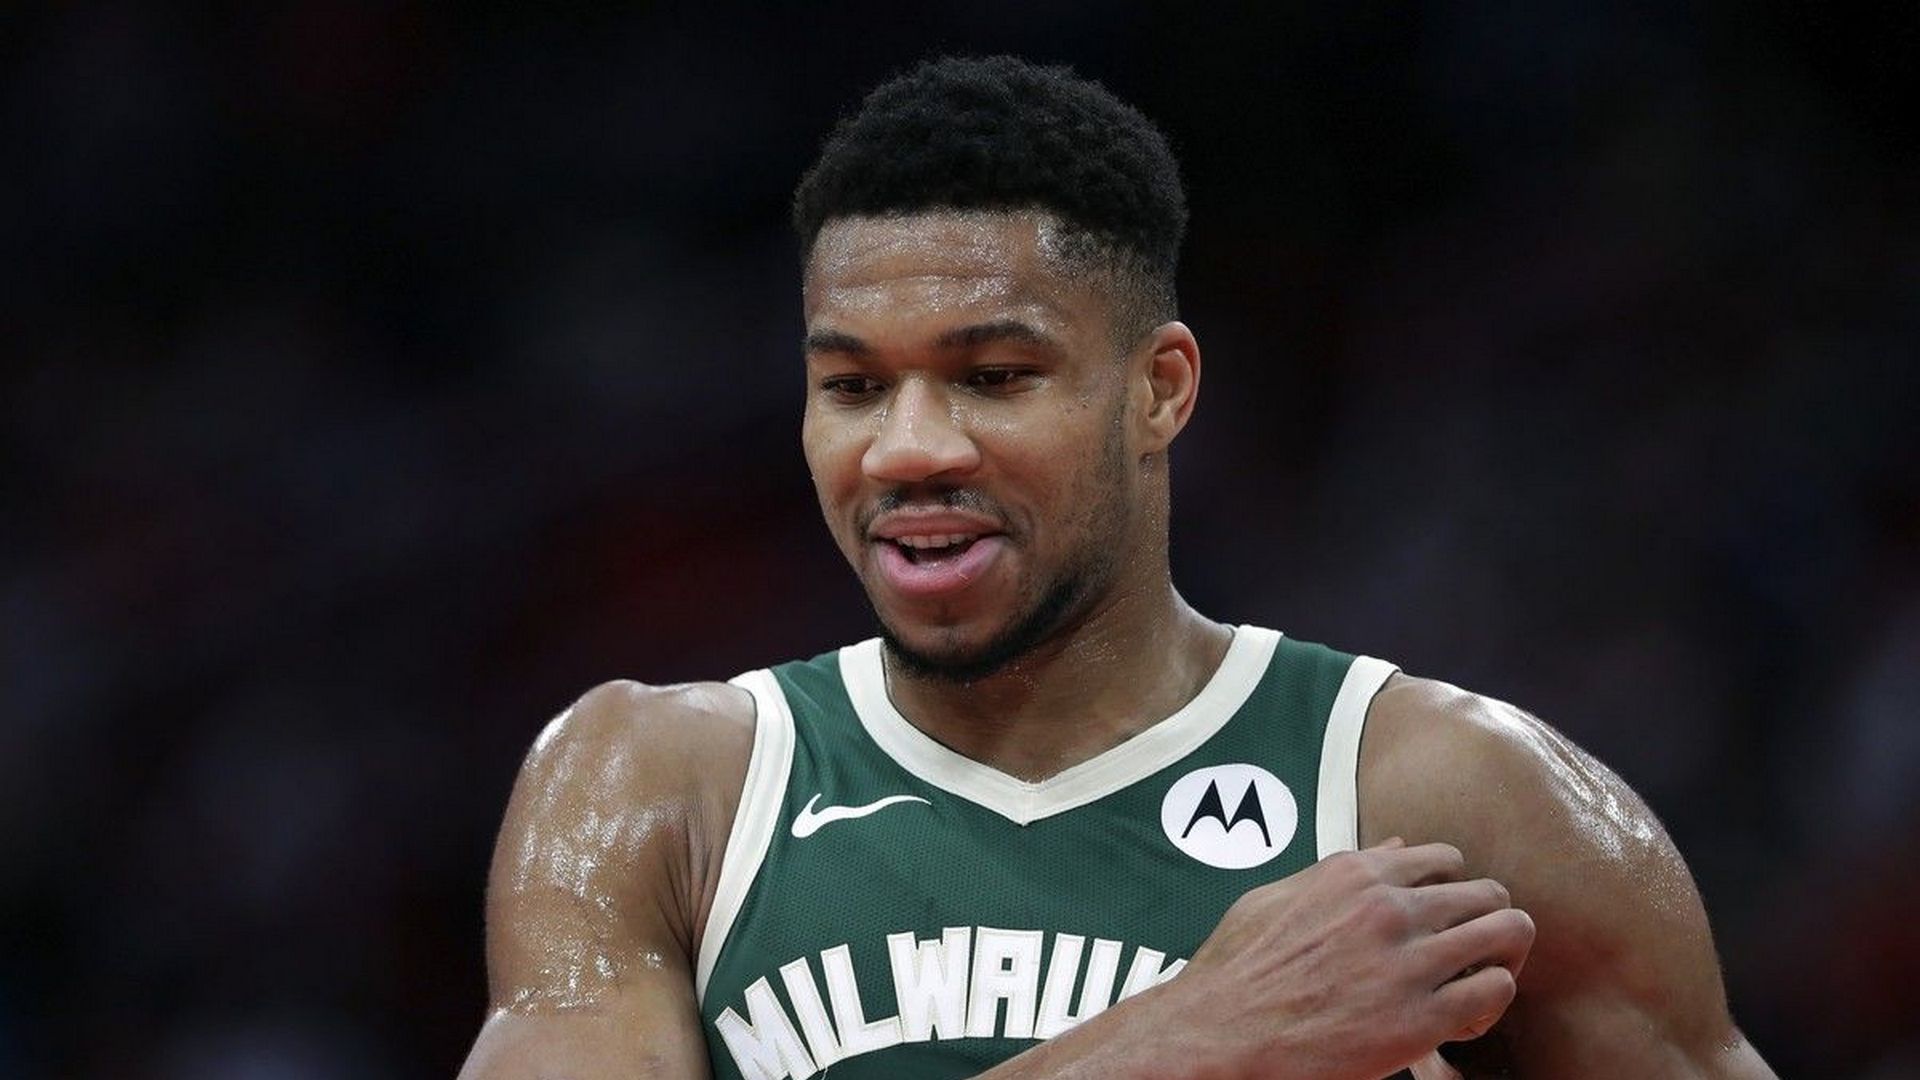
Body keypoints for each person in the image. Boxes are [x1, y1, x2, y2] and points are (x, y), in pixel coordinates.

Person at [457, 56, 1773, 1079]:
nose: (907, 450)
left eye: (994, 377)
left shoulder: (1451, 794)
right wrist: (1189, 1039)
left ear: (1160, 390)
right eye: (852, 386)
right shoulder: (659, 789)